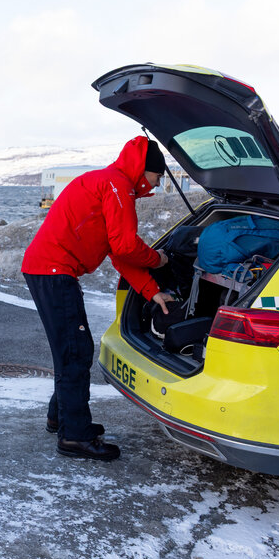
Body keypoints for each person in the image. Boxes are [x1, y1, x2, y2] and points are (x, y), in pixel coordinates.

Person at [21, 135, 173, 461]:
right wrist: (158, 260)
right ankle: (75, 436)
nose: (157, 186)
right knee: (76, 352)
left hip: (47, 268)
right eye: (157, 177)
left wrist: (152, 291)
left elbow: (118, 255)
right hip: (53, 270)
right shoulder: (117, 186)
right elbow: (126, 247)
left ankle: (61, 417)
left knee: (70, 350)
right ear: (144, 169)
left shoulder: (110, 183)